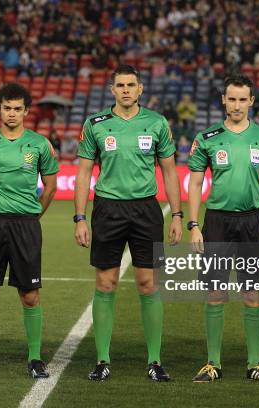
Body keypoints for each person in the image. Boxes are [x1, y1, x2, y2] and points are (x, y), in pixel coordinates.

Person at [74, 65, 183, 382]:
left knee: (148, 284)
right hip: (107, 209)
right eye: (119, 84)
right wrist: (80, 217)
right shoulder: (94, 124)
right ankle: (102, 360)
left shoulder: (156, 123)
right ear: (112, 90)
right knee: (105, 283)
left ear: (140, 89)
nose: (125, 89)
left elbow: (170, 171)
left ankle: (155, 361)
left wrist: (176, 215)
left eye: (130, 85)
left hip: (146, 210)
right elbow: (83, 173)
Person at [187, 74, 259, 383]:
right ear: (224, 101)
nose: (238, 104)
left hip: (252, 222)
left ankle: (255, 362)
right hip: (216, 222)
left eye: (244, 99)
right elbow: (196, 181)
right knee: (215, 292)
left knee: (252, 293)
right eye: (233, 98)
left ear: (251, 102)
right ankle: (212, 362)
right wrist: (193, 225)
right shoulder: (208, 137)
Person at [0, 83, 58, 379]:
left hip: (26, 225)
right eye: (7, 108)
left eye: (18, 108)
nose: (12, 113)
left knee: (29, 294)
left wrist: (32, 215)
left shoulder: (41, 144)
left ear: (26, 111)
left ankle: (35, 358)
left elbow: (51, 186)